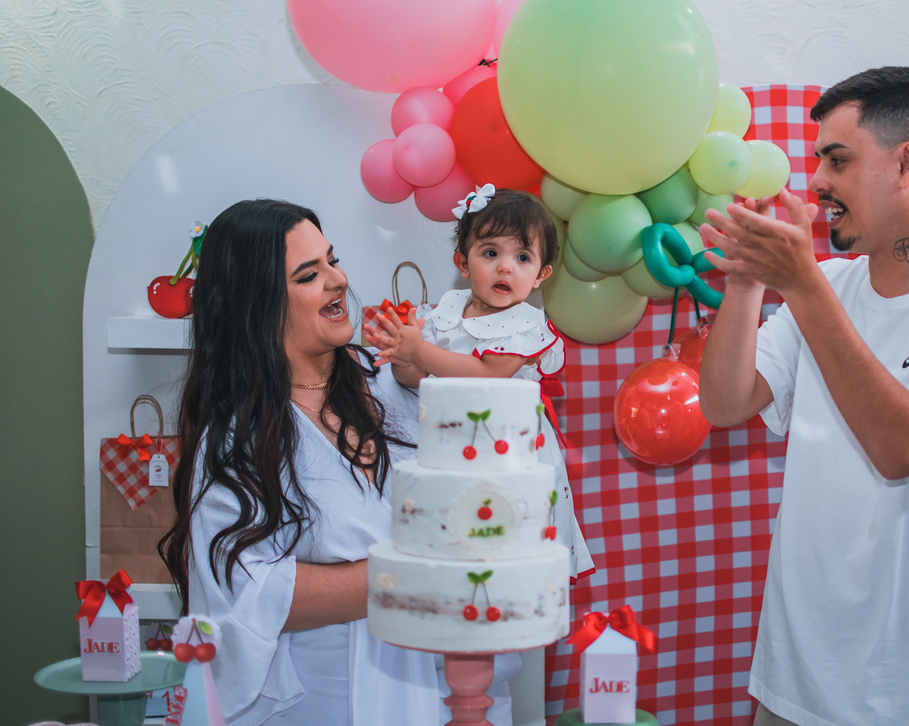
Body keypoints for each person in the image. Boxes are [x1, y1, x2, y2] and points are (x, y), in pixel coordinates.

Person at [698, 67, 909, 726]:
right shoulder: (826, 284)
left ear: (908, 164)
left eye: (839, 159)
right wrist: (745, 287)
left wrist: (801, 287)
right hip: (793, 685)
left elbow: (902, 448)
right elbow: (724, 402)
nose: (818, 181)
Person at [159, 199, 442, 725]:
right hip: (319, 707)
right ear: (257, 304)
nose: (338, 280)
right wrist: (411, 575)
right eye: (310, 274)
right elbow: (249, 592)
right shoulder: (236, 440)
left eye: (332, 261)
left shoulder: (387, 387)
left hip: (423, 692)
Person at [364, 184, 594, 580]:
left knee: (515, 563)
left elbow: (489, 376)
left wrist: (420, 351)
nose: (506, 267)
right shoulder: (446, 311)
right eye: (491, 253)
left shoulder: (523, 324)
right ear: (463, 263)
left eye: (523, 257)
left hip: (511, 451)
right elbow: (415, 377)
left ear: (540, 275)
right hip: (451, 448)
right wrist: (403, 354)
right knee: (461, 551)